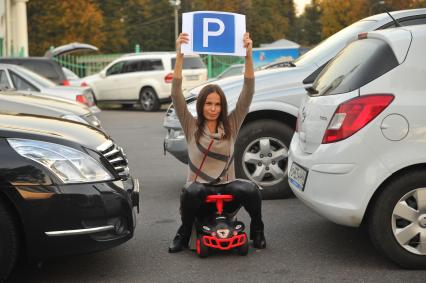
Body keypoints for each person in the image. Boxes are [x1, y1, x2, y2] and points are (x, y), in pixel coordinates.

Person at [169, 32, 266, 253]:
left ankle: (258, 229)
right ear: (202, 105)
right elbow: (176, 95)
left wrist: (248, 56)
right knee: (191, 191)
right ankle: (183, 233)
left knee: (251, 189)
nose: (213, 108)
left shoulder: (231, 125)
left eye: (218, 104)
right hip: (200, 195)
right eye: (208, 104)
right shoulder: (191, 126)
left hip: (226, 191)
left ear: (222, 107)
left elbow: (248, 93)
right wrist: (180, 56)